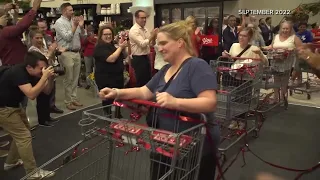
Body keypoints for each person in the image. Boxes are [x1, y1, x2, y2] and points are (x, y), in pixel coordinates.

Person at [99, 20, 220, 180]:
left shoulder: (197, 66)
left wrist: (175, 102)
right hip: (167, 143)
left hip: (194, 147)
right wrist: (116, 93)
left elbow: (209, 102)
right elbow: (144, 91)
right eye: (157, 44)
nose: (159, 48)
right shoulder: (166, 69)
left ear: (180, 43)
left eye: (163, 43)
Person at [0, 51, 55, 178]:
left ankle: (11, 162)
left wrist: (50, 78)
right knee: (24, 137)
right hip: (3, 109)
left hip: (12, 106)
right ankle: (32, 173)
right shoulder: (18, 72)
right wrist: (44, 77)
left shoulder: (33, 73)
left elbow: (46, 91)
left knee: (23, 133)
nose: (43, 71)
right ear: (29, 67)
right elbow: (31, 94)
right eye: (41, 69)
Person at [222, 27, 268, 129]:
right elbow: (233, 60)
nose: (241, 38)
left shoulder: (254, 49)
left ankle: (241, 121)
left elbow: (266, 63)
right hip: (233, 76)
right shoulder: (234, 46)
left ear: (249, 37)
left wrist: (260, 53)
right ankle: (234, 120)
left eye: (244, 36)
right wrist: (227, 56)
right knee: (234, 99)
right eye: (240, 35)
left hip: (246, 78)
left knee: (243, 100)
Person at [28, 30, 65, 127]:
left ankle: (47, 117)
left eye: (41, 38)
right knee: (42, 99)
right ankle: (42, 120)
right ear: (32, 39)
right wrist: (50, 51)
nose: (40, 40)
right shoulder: (32, 50)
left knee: (48, 97)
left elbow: (50, 59)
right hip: (38, 76)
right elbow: (43, 60)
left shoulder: (43, 48)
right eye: (37, 38)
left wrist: (53, 52)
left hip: (48, 74)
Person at [54, 3, 86, 110]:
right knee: (69, 78)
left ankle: (74, 99)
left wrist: (81, 27)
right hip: (66, 52)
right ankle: (68, 102)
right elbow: (67, 37)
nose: (72, 12)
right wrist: (74, 26)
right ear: (64, 11)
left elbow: (83, 36)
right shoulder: (59, 23)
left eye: (72, 10)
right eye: (70, 10)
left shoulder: (74, 21)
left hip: (77, 52)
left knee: (75, 78)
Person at [93, 26, 127, 116]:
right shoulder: (99, 47)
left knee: (118, 96)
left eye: (110, 34)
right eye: (105, 34)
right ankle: (108, 117)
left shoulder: (112, 45)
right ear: (101, 36)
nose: (108, 36)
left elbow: (125, 55)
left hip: (117, 77)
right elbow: (111, 59)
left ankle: (117, 114)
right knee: (108, 99)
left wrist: (124, 46)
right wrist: (120, 47)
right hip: (105, 78)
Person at [268, 21, 302, 104]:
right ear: (280, 29)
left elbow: (301, 49)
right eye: (283, 28)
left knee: (284, 81)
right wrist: (267, 48)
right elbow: (271, 46)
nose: (285, 30)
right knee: (275, 81)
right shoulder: (276, 36)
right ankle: (275, 98)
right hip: (275, 62)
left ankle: (283, 98)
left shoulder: (294, 38)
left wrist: (293, 50)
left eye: (287, 28)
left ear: (290, 29)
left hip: (287, 63)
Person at [36, 19, 64, 114]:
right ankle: (44, 113)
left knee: (52, 87)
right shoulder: (34, 39)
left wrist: (55, 50)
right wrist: (50, 51)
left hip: (51, 63)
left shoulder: (48, 37)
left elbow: (52, 50)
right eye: (41, 27)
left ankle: (52, 106)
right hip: (41, 68)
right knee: (43, 91)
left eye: (45, 27)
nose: (44, 29)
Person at [129, 10, 157, 87]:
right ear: (136, 18)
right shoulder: (134, 30)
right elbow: (142, 44)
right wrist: (152, 35)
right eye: (142, 18)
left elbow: (151, 44)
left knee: (148, 80)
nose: (144, 20)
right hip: (138, 58)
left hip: (145, 57)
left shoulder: (145, 29)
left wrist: (154, 37)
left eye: (145, 18)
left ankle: (146, 98)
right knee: (141, 81)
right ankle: (139, 98)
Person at [290, 22, 314, 86]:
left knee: (297, 66)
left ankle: (293, 79)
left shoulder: (308, 33)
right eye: (301, 27)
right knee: (297, 66)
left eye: (304, 27)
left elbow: (310, 43)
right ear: (298, 27)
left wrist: (304, 45)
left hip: (306, 53)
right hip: (297, 53)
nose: (302, 28)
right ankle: (298, 80)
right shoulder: (296, 34)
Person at [82, 25, 97, 89]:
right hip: (87, 54)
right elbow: (83, 43)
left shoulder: (96, 36)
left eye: (91, 30)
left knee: (96, 69)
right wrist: (87, 37)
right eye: (88, 30)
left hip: (96, 54)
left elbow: (98, 42)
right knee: (88, 70)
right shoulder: (85, 36)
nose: (90, 31)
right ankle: (88, 83)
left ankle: (96, 82)